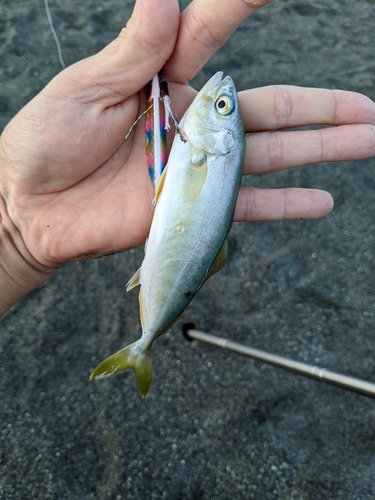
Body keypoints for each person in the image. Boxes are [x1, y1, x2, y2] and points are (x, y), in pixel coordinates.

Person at [0, 0, 374, 317]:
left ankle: (143, 343)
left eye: (221, 106)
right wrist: (13, 229)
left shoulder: (206, 150)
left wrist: (16, 233)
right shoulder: (203, 147)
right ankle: (147, 334)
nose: (219, 96)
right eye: (224, 105)